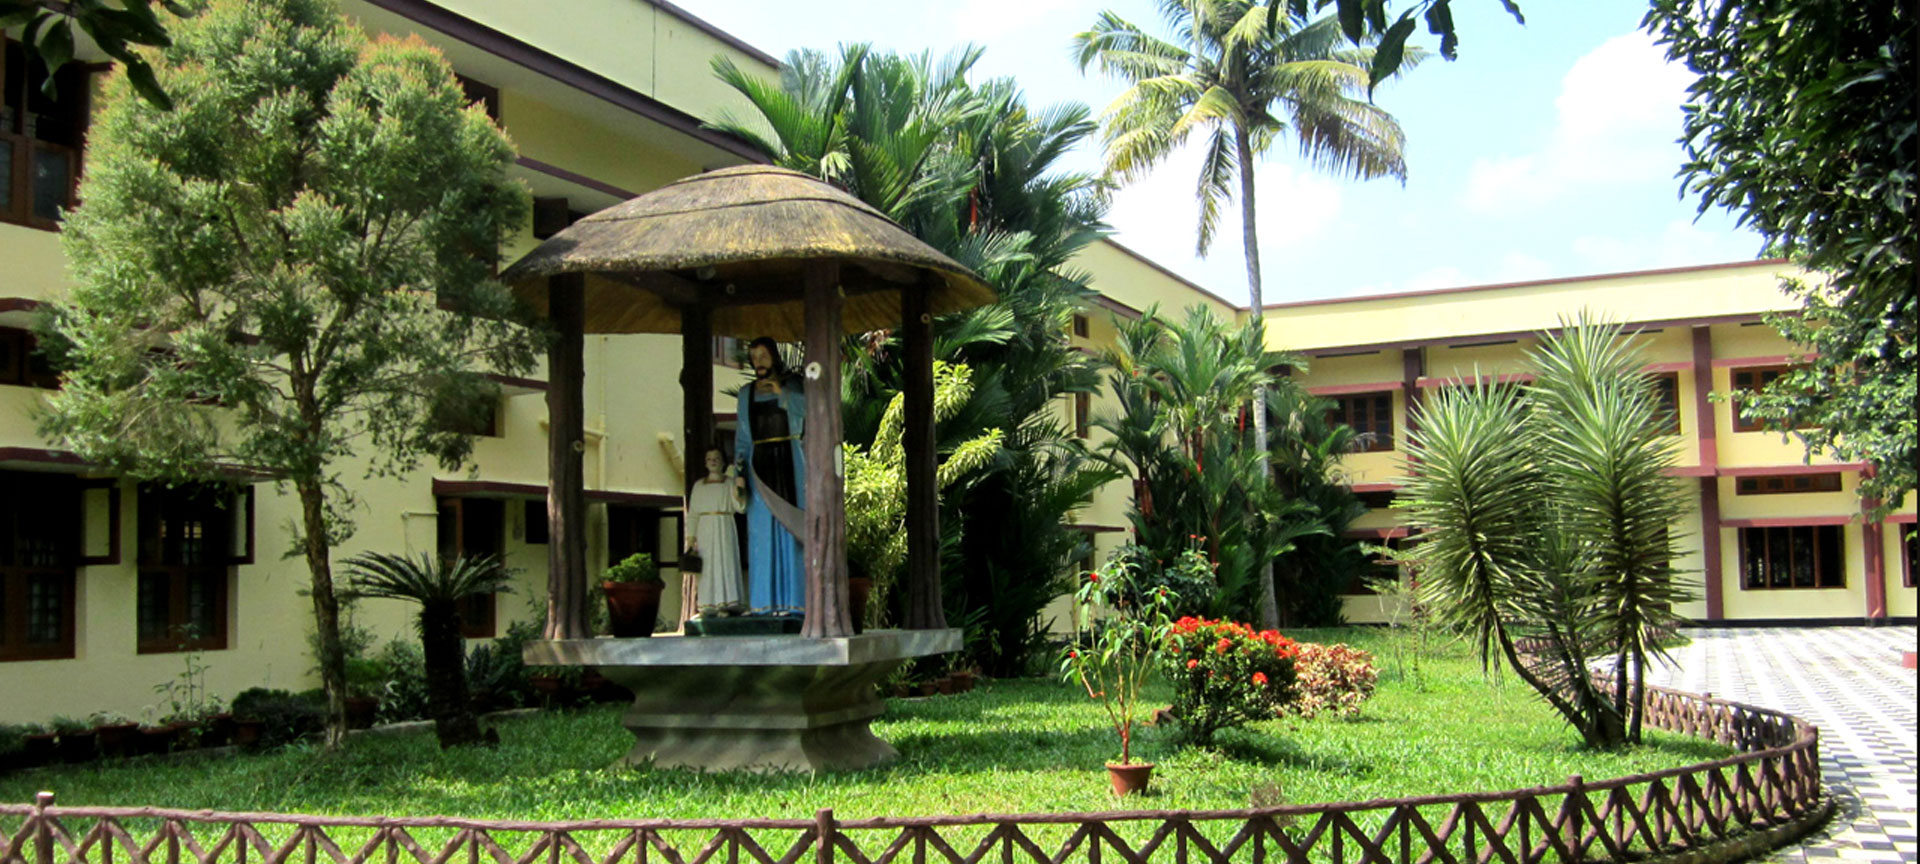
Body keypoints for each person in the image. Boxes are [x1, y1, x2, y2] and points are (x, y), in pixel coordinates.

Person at [735, 337, 806, 615]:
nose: (758, 362)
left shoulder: (793, 385)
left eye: (763, 356)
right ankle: (763, 604)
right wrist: (739, 472)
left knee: (792, 532)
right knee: (761, 535)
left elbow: (810, 412)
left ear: (774, 357)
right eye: (754, 357)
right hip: (759, 466)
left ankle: (795, 602)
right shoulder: (746, 394)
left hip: (791, 463)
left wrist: (782, 393)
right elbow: (743, 437)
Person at [684, 446, 746, 618]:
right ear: (705, 463)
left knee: (725, 562)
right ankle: (707, 605)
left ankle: (727, 603)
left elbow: (740, 507)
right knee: (707, 566)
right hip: (705, 530)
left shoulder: (729, 483)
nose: (713, 462)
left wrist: (740, 488)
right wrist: (691, 538)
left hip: (725, 526)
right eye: (709, 459)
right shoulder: (699, 486)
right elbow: (693, 513)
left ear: (723, 462)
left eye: (716, 458)